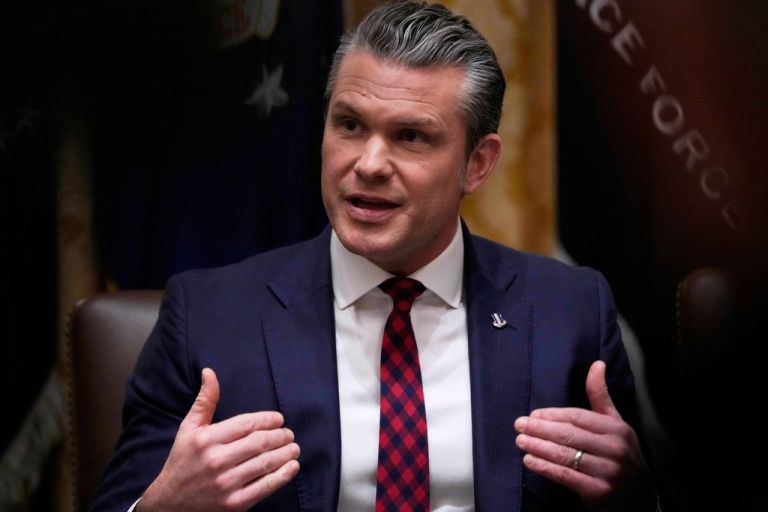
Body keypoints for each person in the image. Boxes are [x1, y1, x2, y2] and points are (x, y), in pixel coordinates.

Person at [91, 2, 658, 511]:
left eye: (412, 136)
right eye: (350, 125)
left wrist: (635, 495)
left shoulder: (570, 311)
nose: (368, 163)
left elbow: (647, 491)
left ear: (478, 164)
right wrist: (166, 505)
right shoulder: (207, 316)